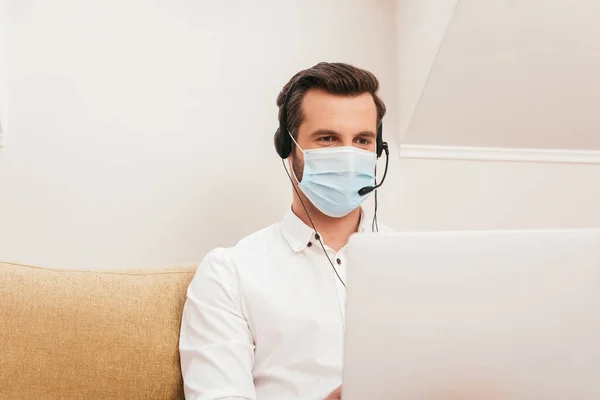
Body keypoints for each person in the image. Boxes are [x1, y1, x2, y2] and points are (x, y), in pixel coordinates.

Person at [179, 62, 391, 400]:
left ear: (378, 150)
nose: (349, 156)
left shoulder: (416, 263)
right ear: (287, 148)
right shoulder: (229, 273)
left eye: (362, 140)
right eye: (328, 139)